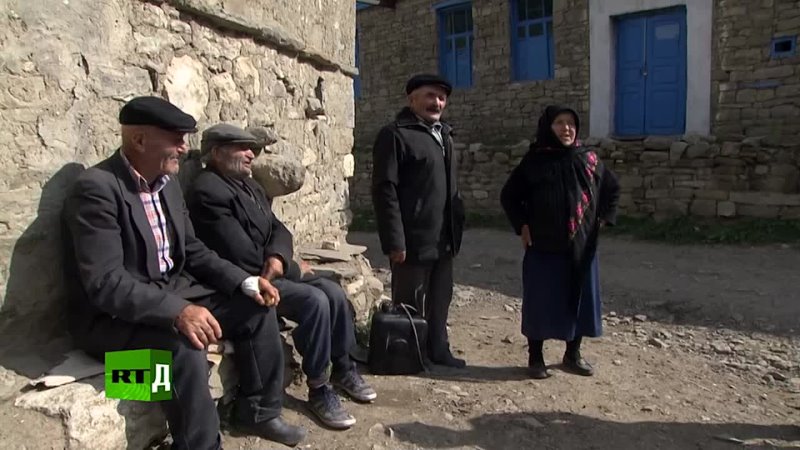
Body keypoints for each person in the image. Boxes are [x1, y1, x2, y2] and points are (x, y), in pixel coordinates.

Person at [61, 97, 306, 449]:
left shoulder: (167, 183)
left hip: (172, 293)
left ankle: (259, 411)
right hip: (111, 322)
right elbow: (106, 283)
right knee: (182, 353)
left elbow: (192, 251)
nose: (185, 147)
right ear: (140, 141)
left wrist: (245, 281)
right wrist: (177, 312)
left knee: (254, 307)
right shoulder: (97, 189)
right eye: (176, 138)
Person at [186, 123, 376, 430]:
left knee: (334, 292)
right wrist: (289, 266)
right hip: (248, 279)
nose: (251, 155)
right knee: (315, 301)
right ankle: (319, 386)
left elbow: (279, 229)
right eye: (242, 148)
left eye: (254, 149)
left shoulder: (250, 185)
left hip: (273, 270)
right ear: (218, 153)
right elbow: (240, 255)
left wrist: (278, 256)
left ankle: (342, 366)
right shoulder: (208, 190)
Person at [499, 105, 620, 379]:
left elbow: (612, 189)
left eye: (571, 123)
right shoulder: (535, 161)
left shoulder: (587, 158)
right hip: (543, 246)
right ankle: (535, 357)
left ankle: (572, 354)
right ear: (547, 127)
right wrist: (522, 225)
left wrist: (603, 218)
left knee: (577, 299)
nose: (566, 128)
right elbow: (509, 196)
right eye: (559, 123)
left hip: (581, 246)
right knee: (541, 301)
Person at [371, 74, 466, 368]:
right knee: (410, 302)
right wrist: (394, 241)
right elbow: (384, 190)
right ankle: (409, 354)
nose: (435, 102)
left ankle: (439, 349)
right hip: (412, 239)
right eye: (429, 96)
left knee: (440, 300)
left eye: (441, 97)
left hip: (443, 237)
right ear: (411, 99)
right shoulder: (395, 135)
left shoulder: (444, 135)